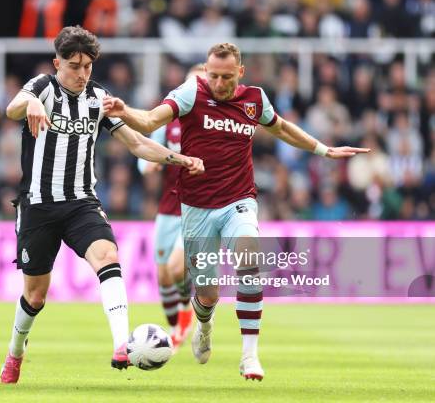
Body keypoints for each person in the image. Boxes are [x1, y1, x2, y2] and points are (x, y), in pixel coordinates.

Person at [103, 42, 369, 381]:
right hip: (196, 207)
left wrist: (323, 149)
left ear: (240, 73)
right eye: (213, 75)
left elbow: (282, 128)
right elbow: (150, 120)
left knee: (248, 259)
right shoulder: (192, 92)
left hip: (239, 200)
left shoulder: (254, 100)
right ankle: (203, 325)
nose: (218, 82)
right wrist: (124, 111)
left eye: (226, 77)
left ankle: (249, 356)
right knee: (207, 293)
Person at [0, 26, 204, 384]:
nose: (82, 74)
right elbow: (11, 108)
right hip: (39, 206)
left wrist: (179, 159)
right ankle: (15, 352)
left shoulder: (98, 98)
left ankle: (121, 345)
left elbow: (138, 144)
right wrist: (30, 101)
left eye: (88, 66)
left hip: (82, 202)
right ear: (57, 63)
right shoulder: (42, 87)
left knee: (108, 257)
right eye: (74, 66)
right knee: (35, 295)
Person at [137, 63, 205, 349]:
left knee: (178, 268)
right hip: (167, 206)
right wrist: (150, 164)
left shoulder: (210, 126)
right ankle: (175, 328)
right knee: (164, 274)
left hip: (196, 207)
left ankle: (185, 317)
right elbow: (145, 157)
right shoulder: (170, 122)